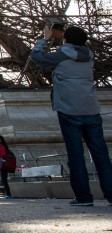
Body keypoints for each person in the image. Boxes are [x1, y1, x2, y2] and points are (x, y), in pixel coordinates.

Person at [30, 24, 112, 206]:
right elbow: (75, 48)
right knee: (101, 155)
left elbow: (37, 56)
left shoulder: (60, 56)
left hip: (68, 110)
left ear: (65, 39)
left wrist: (45, 38)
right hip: (91, 109)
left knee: (75, 156)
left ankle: (83, 197)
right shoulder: (89, 56)